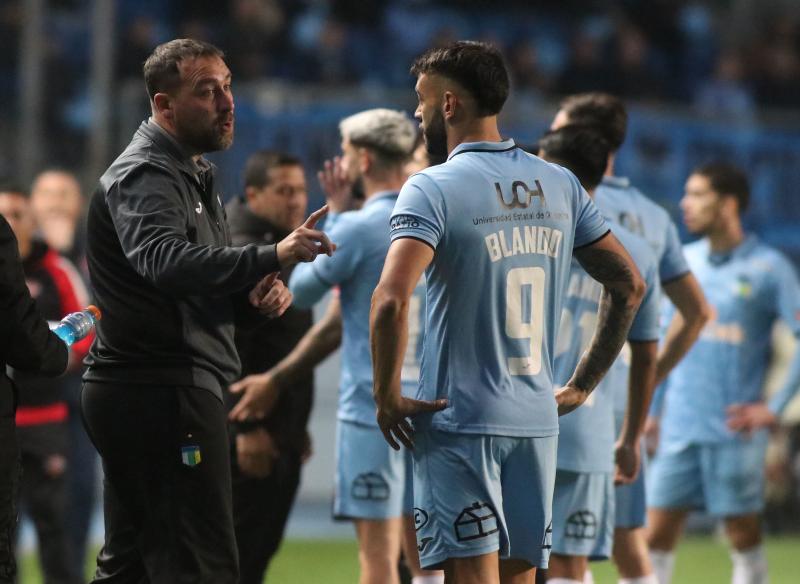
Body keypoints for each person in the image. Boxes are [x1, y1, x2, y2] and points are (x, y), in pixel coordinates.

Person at [370, 41, 645, 584]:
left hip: (460, 419)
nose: (416, 113)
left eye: (421, 101)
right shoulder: (559, 183)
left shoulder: (431, 187)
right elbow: (629, 285)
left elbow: (390, 299)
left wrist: (385, 396)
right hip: (536, 421)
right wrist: (582, 385)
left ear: (450, 106)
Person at [81, 38, 334, 584]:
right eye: (206, 91)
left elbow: (182, 291)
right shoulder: (147, 173)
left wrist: (250, 303)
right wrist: (274, 253)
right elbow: (164, 262)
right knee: (202, 566)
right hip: (160, 391)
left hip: (154, 387)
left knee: (132, 567)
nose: (227, 102)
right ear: (163, 107)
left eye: (228, 86)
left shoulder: (189, 173)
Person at [551, 93, 710, 583]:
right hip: (613, 410)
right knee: (616, 545)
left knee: (531, 552)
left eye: (556, 129)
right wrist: (647, 381)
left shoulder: (547, 196)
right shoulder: (650, 220)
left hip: (546, 397)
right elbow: (696, 312)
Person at [281, 108, 439, 584]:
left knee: (377, 559)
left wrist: (340, 220)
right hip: (433, 402)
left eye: (347, 153)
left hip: (373, 410)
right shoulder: (437, 217)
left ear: (364, 161)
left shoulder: (354, 228)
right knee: (430, 556)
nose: (342, 162)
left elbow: (300, 291)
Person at [646, 162, 800, 584]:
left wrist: (772, 407)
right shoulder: (683, 263)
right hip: (678, 423)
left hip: (735, 428)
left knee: (741, 531)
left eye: (697, 194)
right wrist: (652, 411)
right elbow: (663, 344)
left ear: (728, 203)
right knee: (655, 533)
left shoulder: (769, 268)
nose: (685, 203)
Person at [535, 128, 660, 584]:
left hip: (516, 417)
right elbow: (646, 354)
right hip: (587, 428)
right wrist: (629, 438)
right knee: (571, 567)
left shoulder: (522, 233)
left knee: (506, 561)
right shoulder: (637, 251)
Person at [223, 150, 316, 584]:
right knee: (237, 561)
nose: (296, 200)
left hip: (278, 429)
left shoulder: (283, 244)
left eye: (300, 189)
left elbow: (280, 345)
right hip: (248, 435)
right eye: (284, 191)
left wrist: (295, 423)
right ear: (253, 194)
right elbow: (223, 347)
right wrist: (243, 429)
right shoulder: (243, 252)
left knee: (252, 556)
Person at [0, 186, 88, 584]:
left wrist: (61, 354)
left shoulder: (55, 268)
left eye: (18, 215)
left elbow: (88, 322)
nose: (11, 224)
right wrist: (49, 347)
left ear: (32, 221)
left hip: (47, 421)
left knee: (56, 530)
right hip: (10, 419)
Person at [29, 168, 95, 579]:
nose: (55, 202)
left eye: (64, 194)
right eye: (46, 194)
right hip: (23, 404)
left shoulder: (95, 255)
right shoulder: (16, 261)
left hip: (75, 404)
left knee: (75, 500)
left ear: (79, 204)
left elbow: (98, 316)